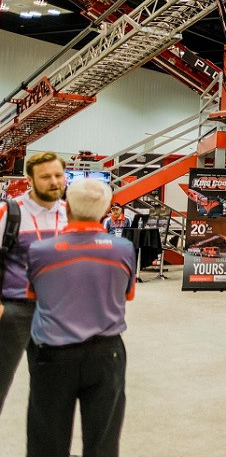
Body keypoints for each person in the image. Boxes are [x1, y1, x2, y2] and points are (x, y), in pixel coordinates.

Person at [25, 178, 135, 457]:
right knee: (103, 444)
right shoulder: (123, 249)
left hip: (53, 354)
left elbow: (32, 295)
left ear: (67, 208)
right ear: (106, 210)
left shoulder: (40, 251)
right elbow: (128, 295)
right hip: (106, 353)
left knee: (46, 443)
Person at [0, 151, 68, 414]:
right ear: (29, 180)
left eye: (58, 175)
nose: (54, 182)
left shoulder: (70, 212)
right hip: (14, 310)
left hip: (55, 312)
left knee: (51, 391)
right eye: (45, 177)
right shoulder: (10, 212)